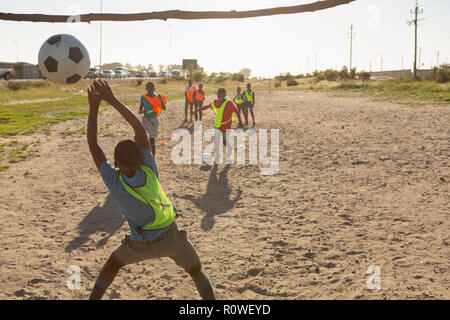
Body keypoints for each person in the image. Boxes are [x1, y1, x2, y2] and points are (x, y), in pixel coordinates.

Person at [86, 80, 216, 300]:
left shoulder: (113, 180)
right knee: (197, 273)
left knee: (113, 265)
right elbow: (138, 128)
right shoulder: (149, 167)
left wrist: (94, 106)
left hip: (140, 244)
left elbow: (93, 143)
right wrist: (112, 99)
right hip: (172, 239)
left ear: (115, 163)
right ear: (142, 156)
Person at [138, 82, 166, 157]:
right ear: (146, 89)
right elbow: (139, 112)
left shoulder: (157, 97)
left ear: (154, 88)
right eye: (148, 87)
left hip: (154, 120)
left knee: (152, 140)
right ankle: (141, 155)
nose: (150, 89)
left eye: (151, 87)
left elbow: (164, 108)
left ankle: (153, 157)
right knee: (141, 137)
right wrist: (143, 111)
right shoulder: (143, 97)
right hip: (145, 119)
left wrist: (161, 100)